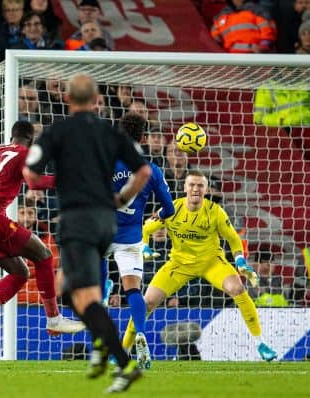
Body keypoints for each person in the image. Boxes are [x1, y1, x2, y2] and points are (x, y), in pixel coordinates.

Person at [23, 74, 152, 393]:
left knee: (74, 292)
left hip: (77, 219)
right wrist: (122, 198)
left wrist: (57, 181)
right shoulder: (111, 132)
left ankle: (123, 362)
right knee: (78, 291)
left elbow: (30, 174)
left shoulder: (58, 132)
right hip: (107, 221)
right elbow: (144, 170)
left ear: (68, 100)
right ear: (97, 100)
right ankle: (103, 348)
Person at [0, 120, 85, 352]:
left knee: (19, 272)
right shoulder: (25, 153)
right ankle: (53, 318)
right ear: (31, 139)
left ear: (12, 136)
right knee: (43, 255)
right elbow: (35, 181)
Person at [121, 170, 278, 362]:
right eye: (192, 185)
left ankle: (260, 343)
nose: (196, 189)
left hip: (211, 263)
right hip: (179, 265)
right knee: (147, 303)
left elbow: (233, 239)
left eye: (200, 185)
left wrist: (239, 260)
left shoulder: (215, 212)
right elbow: (146, 228)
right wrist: (144, 247)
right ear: (185, 187)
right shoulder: (170, 209)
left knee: (237, 288)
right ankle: (123, 350)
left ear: (206, 189)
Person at [102, 112, 175, 369]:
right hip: (132, 238)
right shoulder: (151, 170)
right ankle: (140, 333)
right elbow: (169, 208)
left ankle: (103, 291)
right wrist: (161, 215)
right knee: (133, 290)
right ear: (143, 138)